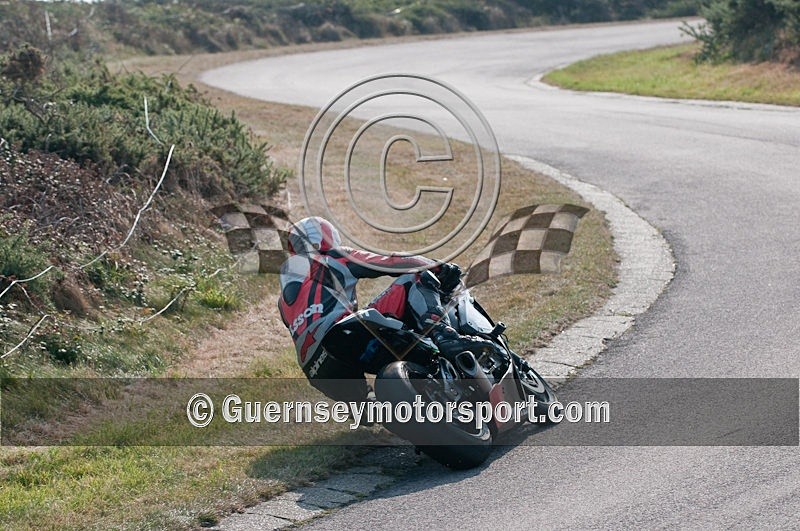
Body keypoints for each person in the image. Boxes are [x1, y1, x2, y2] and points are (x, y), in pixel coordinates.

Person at [277, 216, 495, 402]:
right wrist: (437, 266)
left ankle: (362, 405)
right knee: (416, 276)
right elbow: (389, 262)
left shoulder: (282, 301)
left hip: (317, 369)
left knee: (370, 409)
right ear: (326, 236)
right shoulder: (328, 258)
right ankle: (445, 335)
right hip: (344, 333)